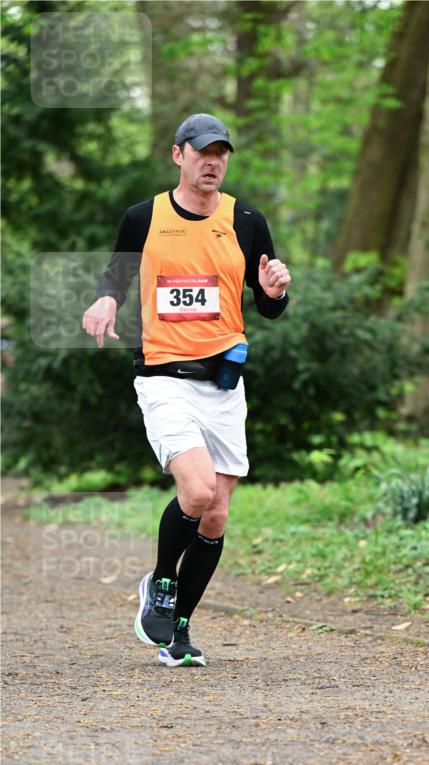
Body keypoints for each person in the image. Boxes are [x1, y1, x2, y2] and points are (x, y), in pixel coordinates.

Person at [82, 113, 291, 667]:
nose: (213, 162)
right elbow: (116, 277)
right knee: (197, 494)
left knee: (217, 515)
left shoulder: (246, 220)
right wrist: (106, 301)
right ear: (179, 155)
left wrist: (273, 293)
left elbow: (268, 305)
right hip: (163, 376)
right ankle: (160, 582)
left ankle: (179, 632)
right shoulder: (143, 217)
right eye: (202, 152)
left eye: (221, 153)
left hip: (224, 384)